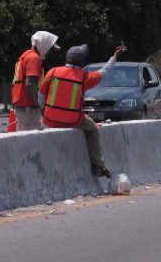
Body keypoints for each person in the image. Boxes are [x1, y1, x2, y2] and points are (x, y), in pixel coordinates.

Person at [39, 44, 127, 178]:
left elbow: (41, 95)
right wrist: (115, 56)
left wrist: (43, 111)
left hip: (49, 119)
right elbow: (104, 71)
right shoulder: (84, 77)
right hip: (72, 120)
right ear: (82, 62)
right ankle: (97, 165)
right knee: (92, 129)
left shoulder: (53, 72)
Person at [11, 31, 60, 131]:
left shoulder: (26, 55)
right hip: (28, 106)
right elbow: (30, 83)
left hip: (21, 105)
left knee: (22, 136)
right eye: (49, 48)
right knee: (30, 137)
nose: (49, 51)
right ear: (43, 44)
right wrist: (38, 104)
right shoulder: (34, 58)